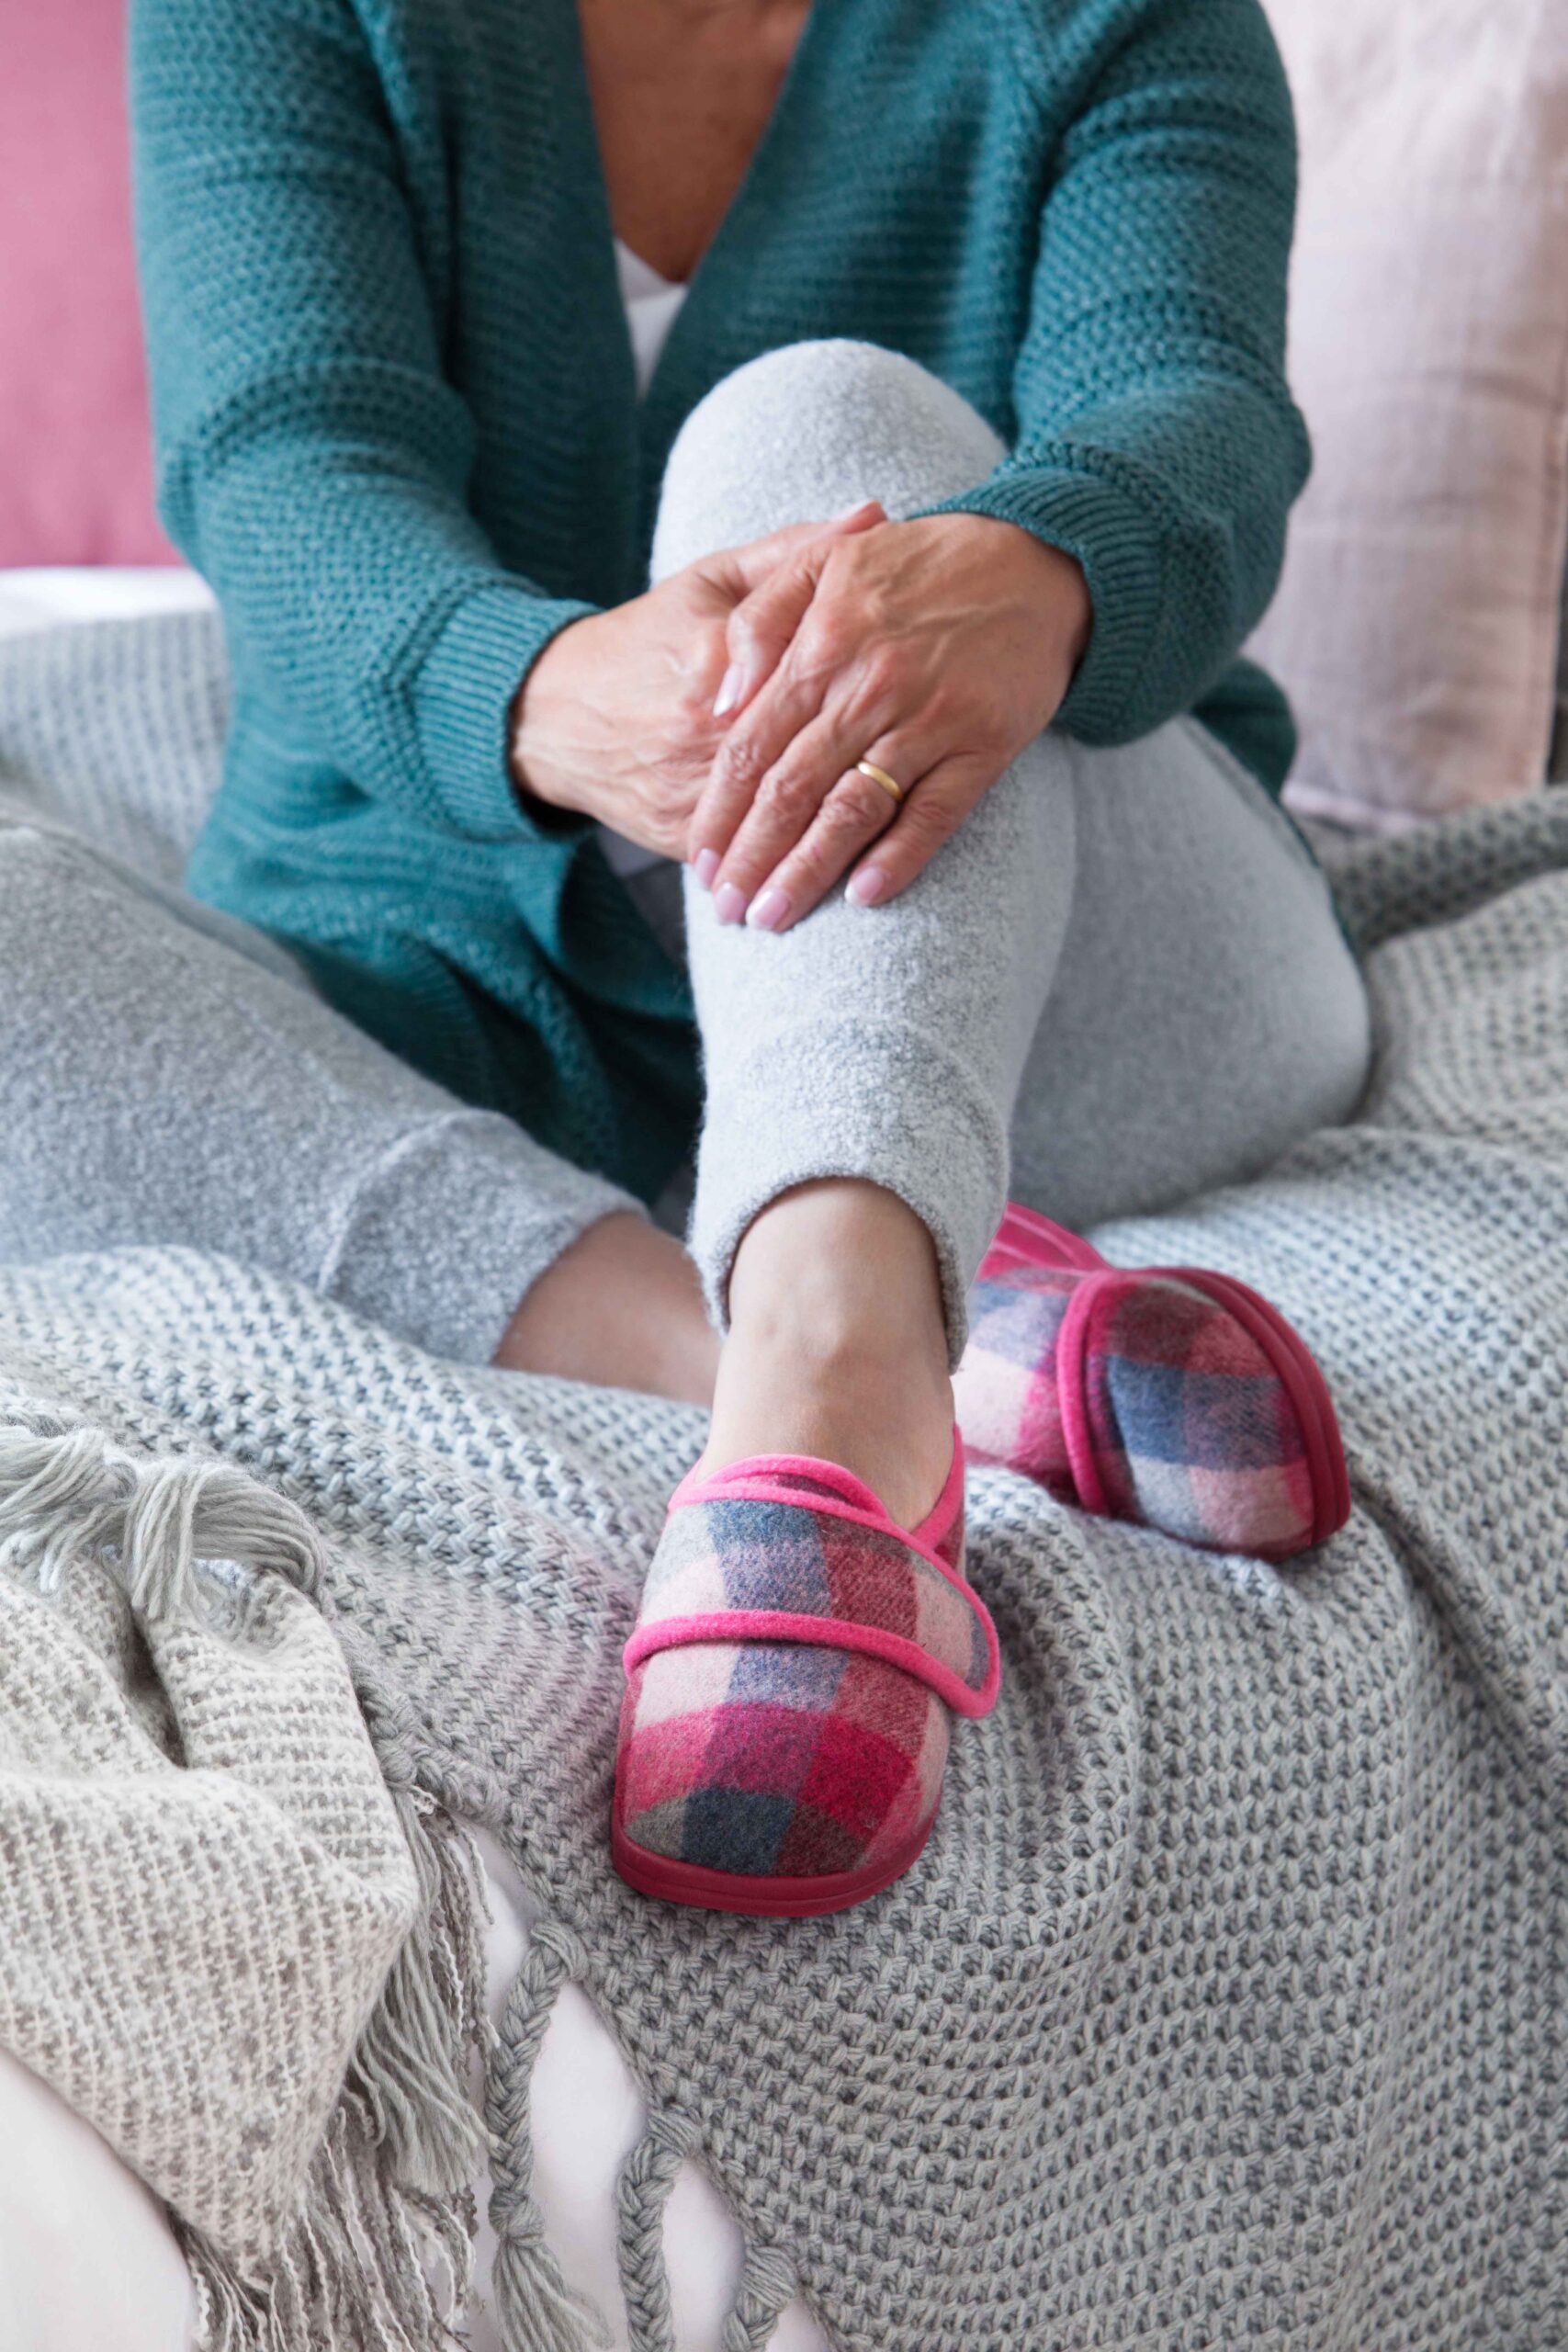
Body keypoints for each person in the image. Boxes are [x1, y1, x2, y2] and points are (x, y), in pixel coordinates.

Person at [1, 0, 1371, 1912]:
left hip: (1057, 957)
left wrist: (1022, 578)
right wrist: (552, 696)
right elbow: (287, 463)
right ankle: (862, 1362)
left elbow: (1197, 422)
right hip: (469, 973)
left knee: (815, 422)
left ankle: (833, 1361)